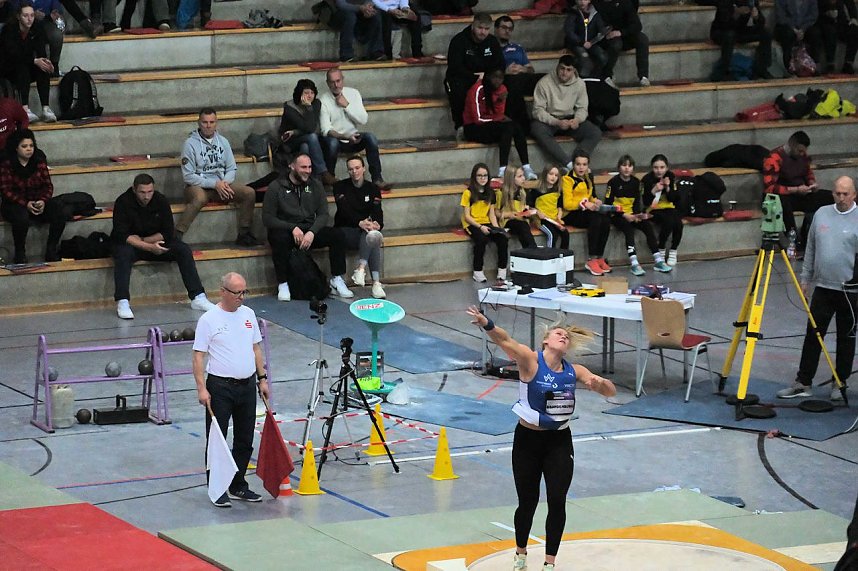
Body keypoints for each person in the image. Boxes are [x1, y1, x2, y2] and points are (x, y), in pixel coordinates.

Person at [464, 306, 615, 571]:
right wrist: (486, 323)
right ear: (546, 340)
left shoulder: (574, 371)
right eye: (558, 333)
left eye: (566, 337)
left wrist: (599, 383)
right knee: (528, 501)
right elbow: (504, 340)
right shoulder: (531, 361)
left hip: (558, 441)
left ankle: (549, 563)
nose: (563, 337)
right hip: (528, 442)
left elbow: (610, 392)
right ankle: (521, 551)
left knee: (557, 500)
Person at [777, 176, 858, 400]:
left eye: (845, 194)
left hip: (850, 291)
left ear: (854, 194)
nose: (841, 198)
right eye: (837, 193)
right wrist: (805, 279)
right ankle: (803, 381)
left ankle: (839, 382)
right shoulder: (822, 213)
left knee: (846, 337)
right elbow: (810, 248)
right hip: (823, 287)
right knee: (813, 334)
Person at [193, 271, 269, 508]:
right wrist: (201, 389)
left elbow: (256, 348)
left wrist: (262, 378)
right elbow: (198, 356)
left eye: (244, 292)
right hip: (220, 387)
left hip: (246, 386)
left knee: (245, 438)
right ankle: (216, 488)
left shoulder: (248, 315)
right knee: (218, 438)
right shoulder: (209, 320)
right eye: (237, 293)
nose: (241, 297)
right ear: (223, 292)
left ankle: (238, 484)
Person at [111, 173, 217, 319]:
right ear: (134, 190)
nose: (146, 196)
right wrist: (147, 246)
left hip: (154, 242)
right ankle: (122, 301)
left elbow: (167, 232)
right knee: (122, 254)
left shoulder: (160, 200)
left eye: (150, 192)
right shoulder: (123, 202)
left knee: (183, 250)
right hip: (132, 246)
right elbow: (122, 235)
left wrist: (146, 241)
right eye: (142, 192)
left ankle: (198, 296)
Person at [262, 153, 355, 301]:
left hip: (308, 230)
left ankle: (337, 278)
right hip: (286, 231)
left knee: (337, 235)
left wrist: (312, 232)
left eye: (310, 167)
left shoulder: (315, 185)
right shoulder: (276, 187)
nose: (308, 171)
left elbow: (324, 214)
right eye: (303, 167)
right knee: (278, 239)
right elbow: (267, 218)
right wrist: (292, 227)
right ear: (292, 166)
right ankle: (283, 283)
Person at [176, 108, 261, 247]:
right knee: (200, 198)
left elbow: (232, 168)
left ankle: (244, 234)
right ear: (198, 122)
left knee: (249, 193)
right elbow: (188, 176)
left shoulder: (223, 142)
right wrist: (214, 184)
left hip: (221, 185)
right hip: (196, 186)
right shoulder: (189, 144)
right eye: (204, 122)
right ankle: (177, 235)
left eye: (211, 122)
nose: (208, 125)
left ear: (216, 123)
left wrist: (224, 183)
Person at [319, 68, 391, 190]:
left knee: (371, 138)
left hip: (354, 138)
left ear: (343, 80)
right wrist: (344, 137)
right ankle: (329, 179)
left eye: (338, 80)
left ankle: (377, 179)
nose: (336, 85)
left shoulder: (353, 93)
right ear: (327, 83)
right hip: (337, 140)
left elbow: (363, 120)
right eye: (332, 82)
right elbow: (326, 130)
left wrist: (347, 105)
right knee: (331, 143)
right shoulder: (323, 100)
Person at [0, 128, 64, 263]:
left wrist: (43, 200)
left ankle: (51, 250)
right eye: (24, 146)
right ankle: (20, 253)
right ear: (16, 148)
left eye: (31, 146)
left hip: (36, 201)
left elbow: (48, 186)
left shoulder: (39, 161)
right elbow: (5, 190)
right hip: (15, 204)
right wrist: (25, 204)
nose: (29, 149)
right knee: (21, 217)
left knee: (59, 210)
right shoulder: (7, 164)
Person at [762, 130, 833, 251]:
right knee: (782, 202)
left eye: (804, 151)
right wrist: (795, 190)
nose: (802, 153)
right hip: (781, 195)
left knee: (830, 197)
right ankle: (793, 240)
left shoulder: (803, 156)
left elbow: (808, 174)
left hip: (800, 193)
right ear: (791, 145)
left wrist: (812, 184)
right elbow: (770, 187)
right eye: (799, 150)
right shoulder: (774, 157)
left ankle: (810, 235)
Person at [530, 55, 603, 171]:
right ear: (557, 67)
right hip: (550, 120)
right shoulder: (544, 83)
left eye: (568, 70)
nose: (564, 73)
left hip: (570, 119)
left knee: (595, 132)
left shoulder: (580, 84)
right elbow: (537, 110)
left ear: (574, 71)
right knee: (536, 129)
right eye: (562, 68)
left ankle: (578, 161)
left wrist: (578, 119)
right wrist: (556, 122)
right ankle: (568, 164)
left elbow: (583, 108)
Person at [462, 69, 537, 180]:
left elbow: (498, 113)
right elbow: (477, 119)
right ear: (488, 77)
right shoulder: (477, 89)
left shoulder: (502, 89)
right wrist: (498, 118)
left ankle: (527, 167)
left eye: (500, 78)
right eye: (494, 77)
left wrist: (498, 102)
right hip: (473, 127)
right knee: (507, 127)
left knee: (515, 126)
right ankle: (502, 171)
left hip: (491, 124)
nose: (497, 81)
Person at [605, 154, 672, 276]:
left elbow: (637, 202)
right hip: (617, 215)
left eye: (629, 166)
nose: (627, 168)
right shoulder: (613, 182)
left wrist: (638, 215)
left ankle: (658, 260)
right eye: (624, 165)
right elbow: (608, 204)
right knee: (628, 229)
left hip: (632, 214)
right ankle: (634, 263)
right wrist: (624, 214)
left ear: (633, 168)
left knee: (647, 226)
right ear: (619, 167)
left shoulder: (636, 182)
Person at [333, 155, 386, 298]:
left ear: (363, 168)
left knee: (372, 234)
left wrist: (377, 224)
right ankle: (374, 281)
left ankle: (366, 274)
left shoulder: (373, 188)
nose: (354, 172)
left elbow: (378, 212)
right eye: (350, 169)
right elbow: (344, 211)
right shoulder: (339, 187)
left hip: (365, 230)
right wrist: (360, 222)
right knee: (371, 235)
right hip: (345, 230)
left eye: (357, 168)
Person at [444, 12, 506, 132]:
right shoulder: (459, 40)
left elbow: (500, 65)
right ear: (473, 25)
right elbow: (454, 67)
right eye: (480, 28)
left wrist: (488, 77)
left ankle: (498, 122)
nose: (483, 32)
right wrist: (473, 77)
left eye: (486, 29)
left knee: (506, 85)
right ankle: (461, 127)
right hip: (462, 78)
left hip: (486, 79)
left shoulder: (492, 42)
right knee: (458, 90)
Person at [0, 2, 57, 123]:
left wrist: (47, 62)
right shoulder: (9, 29)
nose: (29, 19)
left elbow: (41, 50)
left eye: (32, 15)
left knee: (43, 67)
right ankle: (25, 108)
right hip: (8, 68)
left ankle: (45, 109)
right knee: (23, 67)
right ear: (18, 17)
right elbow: (12, 55)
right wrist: (34, 60)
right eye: (25, 15)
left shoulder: (37, 27)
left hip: (28, 63)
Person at [560, 149, 612, 276]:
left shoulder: (589, 177)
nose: (581, 167)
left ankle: (599, 256)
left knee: (605, 220)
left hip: (585, 211)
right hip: (571, 213)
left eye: (584, 164)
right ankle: (591, 259)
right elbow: (567, 204)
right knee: (595, 219)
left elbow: (590, 196)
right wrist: (584, 204)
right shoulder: (567, 180)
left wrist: (595, 201)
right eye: (578, 164)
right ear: (573, 165)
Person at [278, 78, 336, 186]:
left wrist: (295, 131)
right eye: (306, 93)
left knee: (306, 146)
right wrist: (308, 108)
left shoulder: (317, 103)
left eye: (312, 93)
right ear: (299, 93)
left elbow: (312, 127)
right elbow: (309, 128)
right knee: (311, 137)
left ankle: (311, 181)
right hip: (290, 142)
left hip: (306, 139)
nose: (309, 96)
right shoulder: (289, 107)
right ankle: (323, 172)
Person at [494, 15, 543, 130]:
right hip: (505, 79)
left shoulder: (517, 48)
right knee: (513, 84)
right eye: (504, 27)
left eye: (510, 29)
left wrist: (523, 69)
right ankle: (523, 126)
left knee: (548, 78)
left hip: (523, 78)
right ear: (496, 29)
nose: (507, 31)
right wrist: (505, 71)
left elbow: (531, 69)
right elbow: (487, 71)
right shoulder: (490, 48)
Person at [461, 162, 507, 283]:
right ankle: (478, 271)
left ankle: (502, 270)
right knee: (481, 240)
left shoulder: (491, 193)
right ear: (474, 177)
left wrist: (497, 228)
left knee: (502, 239)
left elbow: (491, 214)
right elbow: (467, 216)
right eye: (479, 176)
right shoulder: (468, 193)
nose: (482, 178)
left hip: (485, 221)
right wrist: (480, 227)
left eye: (485, 176)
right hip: (472, 223)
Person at [710, 0, 774, 80]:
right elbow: (723, 23)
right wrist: (736, 13)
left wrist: (757, 17)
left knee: (766, 33)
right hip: (721, 31)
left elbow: (761, 22)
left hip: (739, 30)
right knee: (730, 35)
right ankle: (722, 71)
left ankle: (762, 69)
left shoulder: (751, 1)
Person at [595, 0, 652, 86]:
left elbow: (637, 25)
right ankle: (607, 75)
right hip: (605, 38)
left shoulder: (624, 2)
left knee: (642, 39)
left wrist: (621, 32)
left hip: (624, 35)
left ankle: (643, 76)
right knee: (616, 44)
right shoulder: (596, 4)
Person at [640, 154, 683, 267]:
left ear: (667, 168)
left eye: (662, 167)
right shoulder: (647, 179)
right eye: (656, 167)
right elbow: (645, 201)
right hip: (653, 208)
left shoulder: (670, 176)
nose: (659, 171)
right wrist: (653, 191)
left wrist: (668, 188)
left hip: (668, 206)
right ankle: (662, 247)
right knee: (668, 221)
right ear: (652, 168)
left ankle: (674, 250)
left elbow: (675, 198)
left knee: (678, 222)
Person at [564, 0, 610, 80]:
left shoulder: (595, 13)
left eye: (584, 0)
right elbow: (569, 31)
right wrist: (581, 42)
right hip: (577, 44)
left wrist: (604, 32)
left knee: (603, 57)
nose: (582, 2)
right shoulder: (573, 13)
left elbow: (601, 27)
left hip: (591, 43)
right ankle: (581, 80)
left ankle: (595, 77)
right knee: (585, 59)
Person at [496, 164, 537, 250]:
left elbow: (525, 207)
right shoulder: (501, 193)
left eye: (523, 175)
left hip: (521, 220)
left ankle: (529, 251)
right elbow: (496, 212)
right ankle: (533, 250)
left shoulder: (523, 191)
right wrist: (508, 214)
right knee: (522, 226)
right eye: (520, 176)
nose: (523, 178)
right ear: (511, 178)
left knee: (523, 228)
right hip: (508, 221)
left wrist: (527, 212)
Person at [774, 0, 823, 72]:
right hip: (787, 26)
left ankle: (814, 65)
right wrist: (794, 29)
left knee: (815, 33)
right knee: (788, 34)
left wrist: (803, 29)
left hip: (805, 27)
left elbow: (813, 15)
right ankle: (788, 66)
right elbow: (781, 16)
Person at [529, 163, 570, 249]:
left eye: (556, 175)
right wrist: (538, 212)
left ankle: (563, 255)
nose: (553, 177)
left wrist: (558, 218)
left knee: (565, 232)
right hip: (542, 220)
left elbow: (560, 207)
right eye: (551, 174)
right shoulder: (536, 191)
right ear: (545, 174)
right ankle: (550, 257)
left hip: (554, 219)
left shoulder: (558, 190)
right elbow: (530, 207)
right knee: (552, 234)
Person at [812, 0, 858, 73]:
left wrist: (854, 18)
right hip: (825, 22)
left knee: (855, 31)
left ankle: (848, 63)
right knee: (830, 31)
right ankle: (830, 64)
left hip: (841, 22)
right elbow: (817, 10)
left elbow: (850, 5)